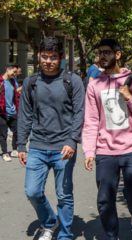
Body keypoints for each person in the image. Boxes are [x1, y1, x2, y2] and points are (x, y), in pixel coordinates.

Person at [82, 38, 132, 240]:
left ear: (118, 55)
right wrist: (88, 151)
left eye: (107, 52)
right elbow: (91, 120)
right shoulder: (94, 84)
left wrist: (130, 98)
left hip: (131, 148)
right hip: (105, 151)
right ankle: (111, 235)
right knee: (105, 200)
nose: (102, 56)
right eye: (100, 52)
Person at [17, 37, 85, 240]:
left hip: (63, 147)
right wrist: (21, 144)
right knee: (32, 191)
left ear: (61, 58)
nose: (48, 61)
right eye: (44, 56)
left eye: (53, 57)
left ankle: (65, 234)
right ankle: (49, 222)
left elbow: (79, 113)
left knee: (64, 195)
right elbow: (25, 115)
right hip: (37, 146)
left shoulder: (72, 81)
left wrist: (72, 140)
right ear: (38, 56)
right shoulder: (31, 82)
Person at [0, 64, 19, 162]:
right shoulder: (0, 81)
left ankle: (14, 150)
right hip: (2, 112)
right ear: (7, 70)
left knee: (17, 131)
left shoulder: (13, 81)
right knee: (3, 134)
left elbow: (16, 92)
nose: (15, 74)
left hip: (12, 111)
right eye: (14, 72)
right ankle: (4, 153)